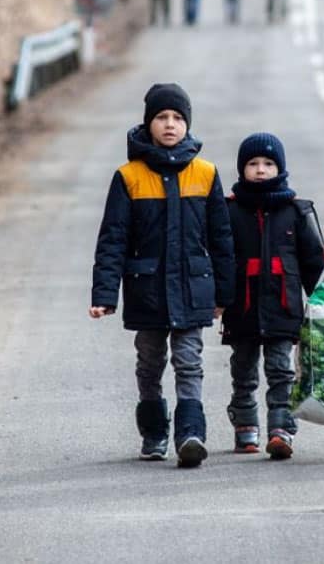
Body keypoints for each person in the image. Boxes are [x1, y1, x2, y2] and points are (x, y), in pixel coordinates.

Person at [90, 83, 235, 467]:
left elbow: (221, 239)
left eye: (177, 118)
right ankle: (154, 433)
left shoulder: (205, 174)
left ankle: (190, 435)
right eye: (161, 117)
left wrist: (224, 293)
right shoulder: (129, 177)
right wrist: (104, 294)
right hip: (147, 291)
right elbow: (113, 239)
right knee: (150, 362)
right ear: (148, 123)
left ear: (187, 124)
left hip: (192, 288)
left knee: (189, 361)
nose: (170, 124)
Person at [220, 133, 324, 459]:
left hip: (283, 307)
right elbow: (219, 259)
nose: (261, 170)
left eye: (268, 163)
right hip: (242, 308)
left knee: (281, 371)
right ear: (242, 169)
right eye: (253, 164)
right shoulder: (229, 211)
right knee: (243, 371)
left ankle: (281, 429)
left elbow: (313, 263)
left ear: (280, 168)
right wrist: (217, 299)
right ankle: (245, 425)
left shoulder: (295, 211)